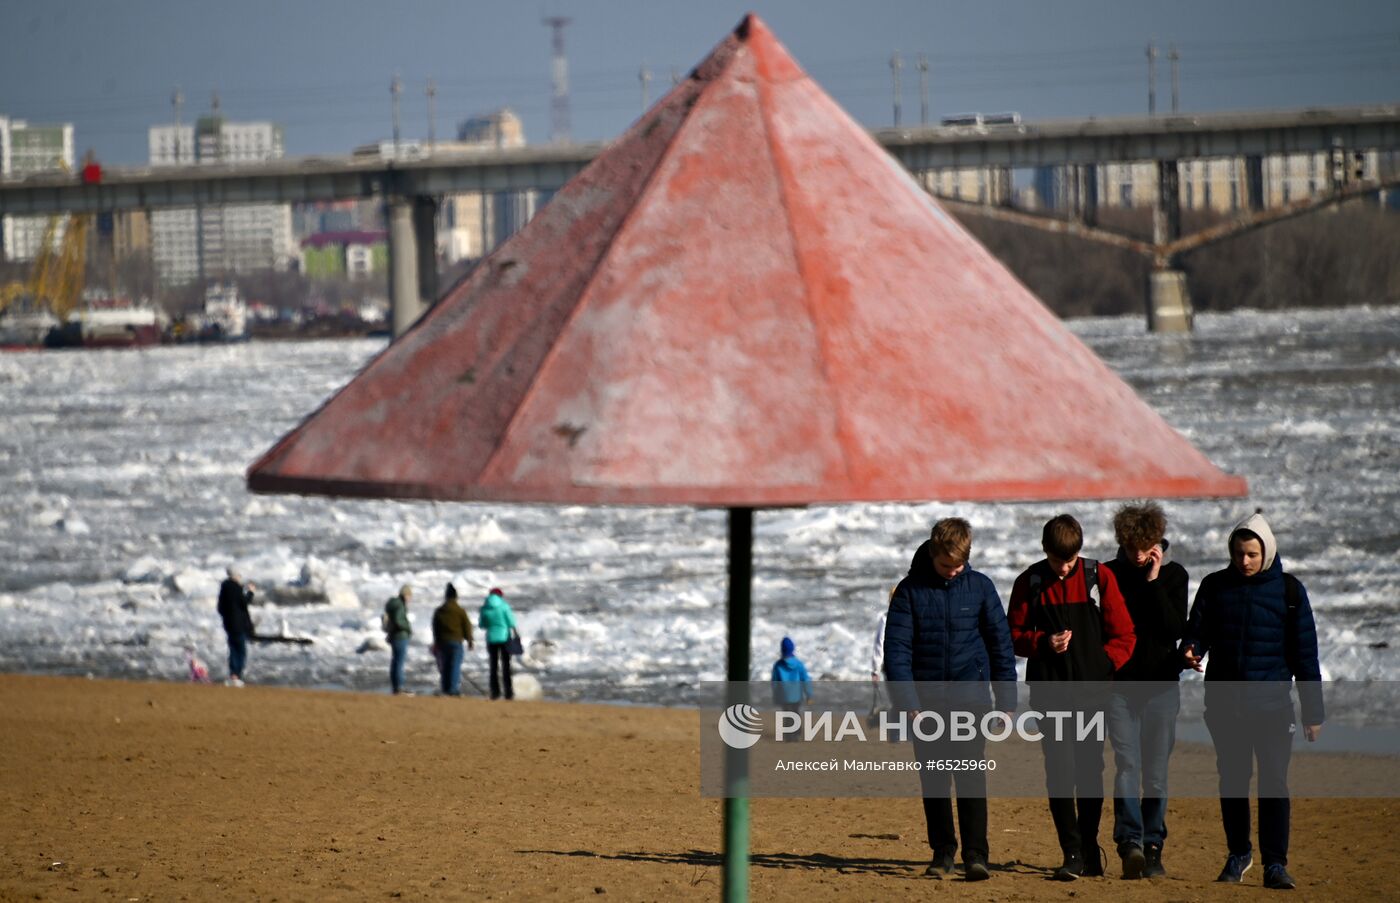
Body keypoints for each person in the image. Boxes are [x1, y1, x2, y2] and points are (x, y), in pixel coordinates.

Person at [1181, 512, 1323, 891]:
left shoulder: (1289, 592)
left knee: (1274, 783)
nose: (1244, 561)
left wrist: (1313, 713)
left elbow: (1305, 655)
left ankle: (1275, 864)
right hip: (1226, 709)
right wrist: (1191, 650)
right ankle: (1239, 853)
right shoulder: (1215, 586)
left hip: (1273, 709)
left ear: (1267, 552)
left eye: (1252, 554)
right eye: (1239, 553)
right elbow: (1197, 632)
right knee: (1232, 781)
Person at [883, 518, 1017, 882]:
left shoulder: (981, 587)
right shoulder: (910, 591)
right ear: (932, 553)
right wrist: (908, 704)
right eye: (946, 565)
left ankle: (977, 855)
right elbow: (896, 651)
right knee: (935, 780)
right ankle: (942, 852)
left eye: (959, 565)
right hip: (924, 704)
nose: (953, 571)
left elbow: (1000, 645)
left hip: (971, 698)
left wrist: (1007, 701)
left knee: (971, 777)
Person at [1007, 514, 1135, 881]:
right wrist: (1042, 643)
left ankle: (1090, 846)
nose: (1064, 568)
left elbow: (1125, 634)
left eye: (1070, 560)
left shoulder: (1098, 577)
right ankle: (1072, 852)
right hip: (1050, 695)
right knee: (1059, 773)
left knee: (1090, 771)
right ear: (1045, 551)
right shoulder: (1030, 581)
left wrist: (1102, 662)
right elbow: (1012, 634)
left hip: (1094, 695)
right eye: (1057, 561)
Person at [1102, 502, 1189, 880]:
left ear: (1157, 542)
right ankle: (1129, 843)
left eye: (1145, 546)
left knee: (1155, 774)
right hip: (1119, 687)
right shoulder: (1108, 574)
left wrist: (1153, 581)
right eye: (1131, 547)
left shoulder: (1174, 576)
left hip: (1161, 686)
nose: (1138, 555)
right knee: (1127, 764)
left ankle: (1153, 846)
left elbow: (1172, 629)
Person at [431, 583, 475, 696]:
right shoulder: (460, 611)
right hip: (456, 641)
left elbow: (435, 627)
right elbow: (467, 626)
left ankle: (445, 688)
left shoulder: (439, 611)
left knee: (445, 666)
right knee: (455, 665)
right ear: (456, 597)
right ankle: (453, 689)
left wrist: (436, 641)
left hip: (443, 642)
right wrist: (469, 640)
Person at [216, 567, 256, 686]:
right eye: (239, 575)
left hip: (228, 623)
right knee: (240, 650)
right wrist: (250, 592)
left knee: (233, 648)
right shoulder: (235, 587)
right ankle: (237, 675)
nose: (240, 577)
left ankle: (233, 675)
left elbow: (220, 607)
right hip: (238, 624)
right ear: (235, 575)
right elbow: (244, 602)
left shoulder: (224, 587)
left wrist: (226, 618)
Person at [478, 587, 517, 701]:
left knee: (493, 666)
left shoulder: (485, 607)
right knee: (506, 666)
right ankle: (508, 693)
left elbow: (482, 625)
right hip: (505, 638)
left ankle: (495, 692)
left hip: (491, 639)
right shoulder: (504, 606)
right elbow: (511, 622)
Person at [383, 585, 414, 695]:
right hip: (400, 636)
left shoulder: (393, 604)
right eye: (410, 595)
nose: (411, 598)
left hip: (394, 636)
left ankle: (396, 687)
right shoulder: (400, 605)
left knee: (395, 661)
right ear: (405, 595)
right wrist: (408, 628)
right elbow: (399, 620)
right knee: (399, 662)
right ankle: (399, 687)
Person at [770, 637, 813, 714]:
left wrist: (775, 696)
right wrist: (809, 695)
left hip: (784, 696)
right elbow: (805, 680)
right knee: (795, 716)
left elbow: (775, 683)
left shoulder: (778, 665)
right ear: (793, 649)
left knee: (786, 718)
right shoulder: (798, 664)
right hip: (797, 697)